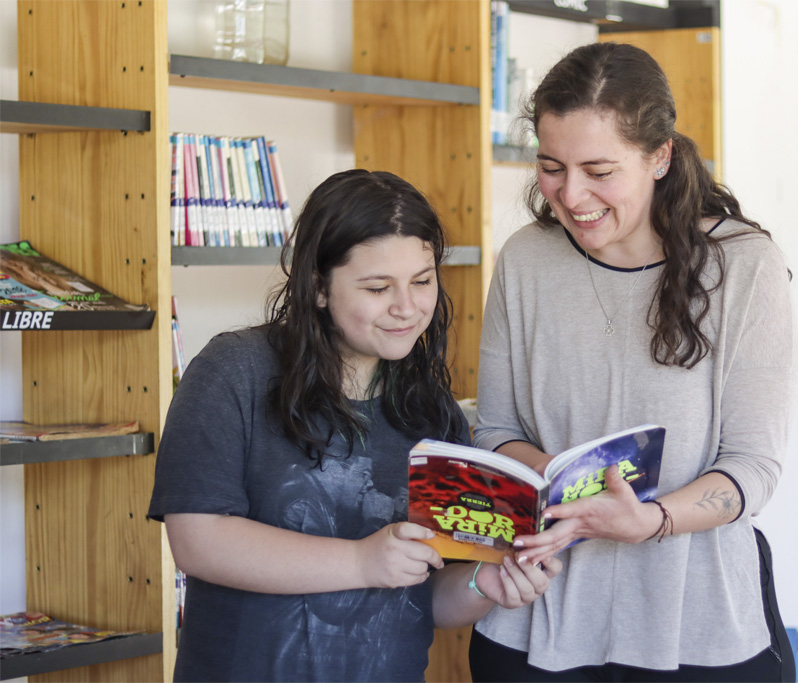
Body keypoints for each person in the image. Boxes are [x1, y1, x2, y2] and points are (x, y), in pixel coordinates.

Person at [148, 169, 561, 682]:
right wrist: (362, 562)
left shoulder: (433, 412)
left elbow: (425, 597)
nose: (407, 308)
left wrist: (486, 583)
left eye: (422, 281)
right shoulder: (235, 370)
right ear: (319, 287)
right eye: (377, 287)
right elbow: (197, 541)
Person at [470, 42, 798, 682]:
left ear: (659, 156)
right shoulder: (524, 260)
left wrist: (649, 521)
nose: (571, 195)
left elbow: (754, 466)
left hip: (697, 625)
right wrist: (567, 484)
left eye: (599, 170)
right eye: (550, 167)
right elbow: (496, 429)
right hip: (537, 615)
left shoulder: (743, 264)